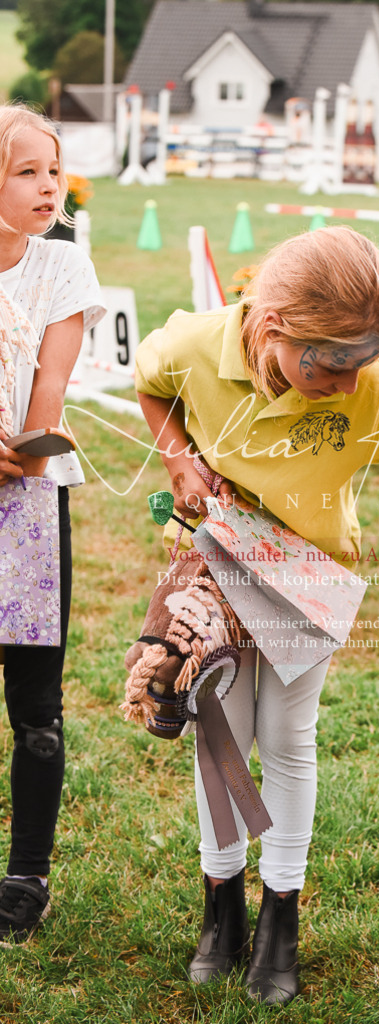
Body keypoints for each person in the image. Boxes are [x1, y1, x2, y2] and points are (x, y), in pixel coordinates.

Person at [134, 226, 379, 1005]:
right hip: (215, 568)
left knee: (285, 737)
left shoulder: (371, 382)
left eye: (363, 367)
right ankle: (223, 910)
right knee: (219, 737)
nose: (350, 387)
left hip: (308, 580)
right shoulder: (196, 344)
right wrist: (180, 456)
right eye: (333, 366)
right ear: (275, 327)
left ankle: (280, 912)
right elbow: (151, 384)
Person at [0, 103, 105, 943]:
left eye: (53, 170)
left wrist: (28, 455)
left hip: (29, 502)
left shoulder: (62, 268)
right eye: (25, 171)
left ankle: (26, 875)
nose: (48, 187)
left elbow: (51, 387)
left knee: (35, 704)